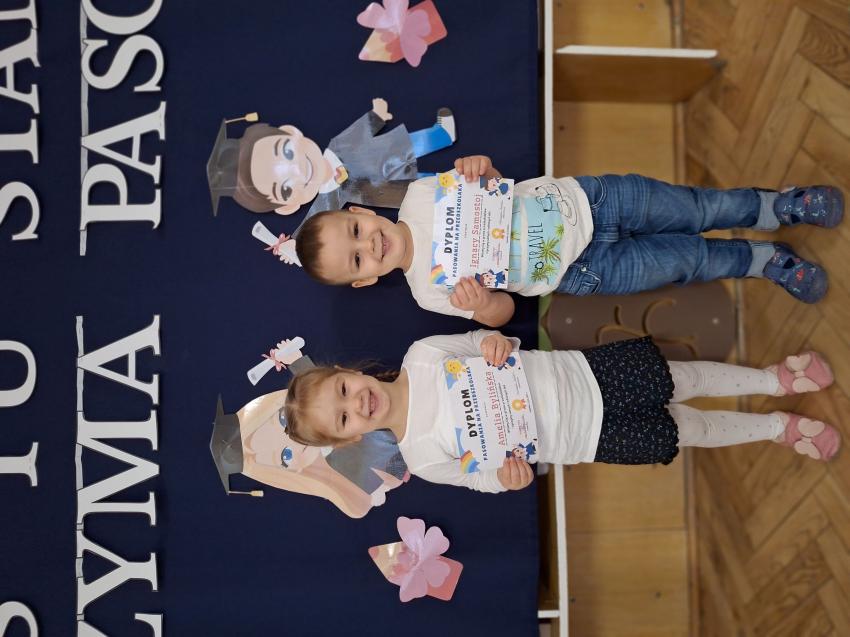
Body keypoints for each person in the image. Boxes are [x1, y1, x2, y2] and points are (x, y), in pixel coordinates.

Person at [293, 155, 843, 326]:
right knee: (686, 261)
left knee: (696, 207)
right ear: (365, 280)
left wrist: (481, 168)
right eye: (357, 260)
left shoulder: (418, 195)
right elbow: (505, 313)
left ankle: (775, 207)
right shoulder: (427, 293)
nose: (370, 245)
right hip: (583, 271)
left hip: (592, 201)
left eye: (357, 232)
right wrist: (483, 305)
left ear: (362, 211)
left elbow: (492, 182)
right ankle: (765, 261)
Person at [281, 331, 841, 493]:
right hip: (586, 438)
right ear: (350, 439)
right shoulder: (423, 459)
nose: (357, 403)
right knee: (689, 429)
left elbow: (487, 340)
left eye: (344, 389)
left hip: (584, 375)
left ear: (348, 371)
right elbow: (482, 481)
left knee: (685, 378)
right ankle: (777, 427)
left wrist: (493, 342)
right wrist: (507, 479)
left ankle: (774, 379)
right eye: (344, 418)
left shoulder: (422, 354)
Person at [211, 98, 456, 218]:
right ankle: (451, 189)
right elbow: (311, 228)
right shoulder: (329, 198)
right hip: (384, 190)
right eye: (285, 188)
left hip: (386, 150)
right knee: (421, 189)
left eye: (287, 153)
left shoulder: (336, 146)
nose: (298, 170)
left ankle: (442, 134)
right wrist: (294, 247)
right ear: (288, 206)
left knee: (413, 142)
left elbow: (356, 134)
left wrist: (376, 116)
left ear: (291, 132)